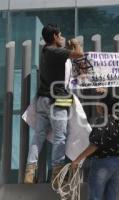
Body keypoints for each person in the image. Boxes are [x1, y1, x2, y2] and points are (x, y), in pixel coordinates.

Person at [24, 24, 84, 184]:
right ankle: (57, 174)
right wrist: (76, 43)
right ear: (55, 37)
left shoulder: (45, 51)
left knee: (38, 136)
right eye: (61, 35)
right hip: (58, 99)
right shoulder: (55, 51)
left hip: (42, 100)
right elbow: (79, 54)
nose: (63, 38)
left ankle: (30, 171)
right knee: (60, 137)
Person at [71, 89, 119, 200]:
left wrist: (77, 160)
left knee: (95, 196)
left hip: (102, 164)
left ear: (103, 106)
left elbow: (94, 145)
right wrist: (106, 90)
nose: (96, 104)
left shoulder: (102, 121)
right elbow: (114, 101)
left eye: (99, 102)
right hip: (118, 163)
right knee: (112, 196)